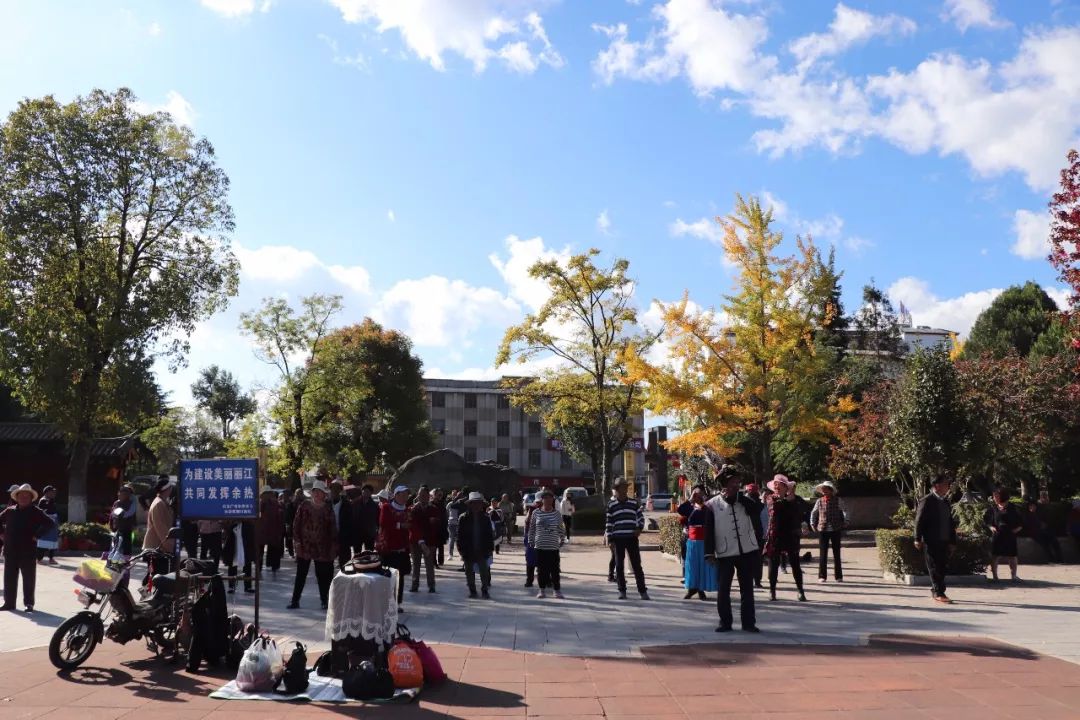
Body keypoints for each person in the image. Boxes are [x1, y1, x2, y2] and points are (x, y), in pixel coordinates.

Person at [704, 466, 763, 633]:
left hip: (747, 551)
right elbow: (708, 531)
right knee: (723, 589)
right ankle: (725, 622)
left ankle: (748, 623)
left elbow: (758, 511)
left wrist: (742, 499)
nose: (736, 485)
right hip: (725, 552)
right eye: (732, 483)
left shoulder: (745, 501)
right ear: (724, 485)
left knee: (747, 589)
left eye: (737, 482)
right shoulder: (712, 505)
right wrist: (709, 553)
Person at [0, 485, 55, 612]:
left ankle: (29, 603)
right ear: (17, 497)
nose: (23, 498)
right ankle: (9, 603)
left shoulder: (36, 511)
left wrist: (37, 535)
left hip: (28, 550)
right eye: (21, 496)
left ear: (31, 498)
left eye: (26, 496)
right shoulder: (10, 511)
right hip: (10, 549)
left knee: (29, 578)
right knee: (9, 578)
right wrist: (1, 534)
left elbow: (50, 523)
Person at [288, 480, 338, 610]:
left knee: (322, 576)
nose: (317, 494)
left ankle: (324, 600)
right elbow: (296, 524)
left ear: (324, 495)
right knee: (301, 574)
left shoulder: (327, 509)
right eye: (315, 491)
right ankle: (295, 600)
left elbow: (333, 528)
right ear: (312, 493)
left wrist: (333, 546)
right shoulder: (304, 506)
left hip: (322, 547)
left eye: (320, 492)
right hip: (305, 546)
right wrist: (297, 541)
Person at [914, 475, 958, 604]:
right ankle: (938, 592)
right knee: (934, 567)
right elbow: (919, 520)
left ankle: (938, 591)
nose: (947, 486)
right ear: (937, 485)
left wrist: (953, 541)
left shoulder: (945, 501)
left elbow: (950, 522)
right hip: (931, 540)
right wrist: (917, 538)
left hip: (945, 539)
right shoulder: (927, 501)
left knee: (942, 566)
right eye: (945, 484)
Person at [764, 476, 807, 602]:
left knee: (795, 563)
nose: (776, 487)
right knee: (773, 563)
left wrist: (803, 523)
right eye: (775, 485)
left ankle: (800, 590)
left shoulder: (795, 499)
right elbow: (774, 508)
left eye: (779, 484)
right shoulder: (770, 498)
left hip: (791, 534)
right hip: (775, 534)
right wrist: (787, 501)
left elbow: (801, 511)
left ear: (785, 487)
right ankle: (772, 591)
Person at [605, 478, 649, 600]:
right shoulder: (611, 505)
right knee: (619, 566)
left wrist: (639, 528)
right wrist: (610, 539)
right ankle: (622, 590)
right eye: (623, 487)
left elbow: (641, 518)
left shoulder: (634, 503)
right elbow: (609, 522)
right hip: (618, 539)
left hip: (631, 538)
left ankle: (642, 591)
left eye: (626, 487)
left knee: (637, 565)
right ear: (617, 489)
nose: (625, 489)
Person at [377, 485, 412, 610]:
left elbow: (411, 525)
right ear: (396, 495)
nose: (405, 497)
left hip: (402, 549)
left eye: (406, 495)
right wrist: (400, 525)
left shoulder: (407, 510)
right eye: (402, 495)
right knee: (386, 577)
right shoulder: (387, 507)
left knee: (400, 577)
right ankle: (385, 602)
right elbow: (384, 523)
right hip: (388, 549)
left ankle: (397, 603)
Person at [457, 492, 495, 599]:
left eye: (479, 503)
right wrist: (461, 549)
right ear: (470, 504)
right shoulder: (463, 518)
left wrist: (490, 549)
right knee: (469, 572)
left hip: (482, 549)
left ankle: (485, 590)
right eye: (474, 503)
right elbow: (459, 535)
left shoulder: (485, 518)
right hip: (468, 549)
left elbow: (489, 535)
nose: (477, 506)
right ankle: (472, 590)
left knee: (484, 571)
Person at [530, 490, 566, 599]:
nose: (548, 500)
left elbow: (561, 527)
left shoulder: (557, 513)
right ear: (542, 500)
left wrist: (562, 538)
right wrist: (531, 540)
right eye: (545, 498)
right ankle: (541, 590)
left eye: (550, 498)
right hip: (540, 546)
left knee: (555, 569)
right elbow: (532, 528)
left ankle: (557, 590)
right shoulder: (536, 513)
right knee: (541, 570)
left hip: (553, 546)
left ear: (553, 500)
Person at [682, 486, 716, 601]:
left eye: (699, 493)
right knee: (692, 566)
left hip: (704, 541)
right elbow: (680, 510)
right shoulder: (690, 507)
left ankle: (701, 589)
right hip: (692, 541)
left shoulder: (708, 507)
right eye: (695, 494)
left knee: (703, 566)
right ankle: (692, 588)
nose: (697, 496)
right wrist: (691, 499)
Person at [984, 487, 1024, 583]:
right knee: (995, 555)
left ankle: (1014, 576)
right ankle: (995, 577)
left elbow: (1022, 521)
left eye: (996, 496)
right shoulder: (993, 508)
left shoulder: (1012, 507)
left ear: (1002, 496)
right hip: (997, 535)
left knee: (1012, 556)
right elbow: (987, 520)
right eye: (994, 496)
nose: (994, 498)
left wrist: (1017, 529)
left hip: (1010, 535)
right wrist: (991, 527)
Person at [810, 481, 847, 583]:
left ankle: (838, 576)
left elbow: (845, 510)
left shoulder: (838, 500)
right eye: (823, 489)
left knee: (836, 553)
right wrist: (812, 523)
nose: (824, 491)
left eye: (826, 489)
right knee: (823, 553)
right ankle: (822, 576)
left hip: (835, 528)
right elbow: (814, 512)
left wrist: (846, 521)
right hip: (823, 529)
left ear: (831, 490)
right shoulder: (819, 501)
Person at [142, 477, 176, 579]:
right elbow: (161, 528)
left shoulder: (162, 502)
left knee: (155, 577)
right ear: (167, 489)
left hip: (159, 547)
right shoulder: (158, 504)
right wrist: (169, 546)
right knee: (157, 578)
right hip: (156, 548)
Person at [409, 486, 440, 593]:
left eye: (424, 495)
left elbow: (439, 524)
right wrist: (420, 540)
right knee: (416, 564)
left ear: (428, 496)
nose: (422, 497)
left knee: (430, 564)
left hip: (430, 541)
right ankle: (415, 585)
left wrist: (435, 521)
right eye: (420, 495)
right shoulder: (413, 509)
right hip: (415, 541)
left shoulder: (434, 509)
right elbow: (412, 526)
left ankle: (431, 585)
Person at [1022, 499, 1062, 563]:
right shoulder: (1027, 515)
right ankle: (1051, 559)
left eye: (1033, 506)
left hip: (1043, 531)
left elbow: (1045, 523)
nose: (1032, 507)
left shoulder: (1039, 513)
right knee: (1045, 544)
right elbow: (1028, 526)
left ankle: (1059, 559)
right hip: (1034, 533)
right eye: (1030, 506)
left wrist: (1044, 525)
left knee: (1054, 540)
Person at [257, 488, 285, 579]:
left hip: (268, 532)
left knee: (267, 551)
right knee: (262, 551)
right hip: (266, 532)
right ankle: (268, 567)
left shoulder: (274, 504)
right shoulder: (261, 504)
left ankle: (268, 567)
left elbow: (280, 518)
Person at [350, 484, 381, 554]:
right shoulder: (354, 503)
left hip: (370, 534)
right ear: (362, 491)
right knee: (357, 554)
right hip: (357, 533)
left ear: (371, 493)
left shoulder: (374, 505)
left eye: (368, 491)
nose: (365, 493)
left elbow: (377, 519)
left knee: (369, 554)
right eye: (364, 491)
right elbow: (350, 517)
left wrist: (377, 531)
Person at [329, 480, 352, 570]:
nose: (334, 491)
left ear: (340, 490)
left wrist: (349, 538)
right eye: (333, 489)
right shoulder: (326, 504)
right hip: (329, 538)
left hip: (343, 538)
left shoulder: (347, 504)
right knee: (327, 566)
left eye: (337, 489)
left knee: (345, 565)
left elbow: (351, 522)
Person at [110, 485, 138, 558]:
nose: (120, 495)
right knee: (115, 544)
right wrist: (112, 525)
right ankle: (114, 559)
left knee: (126, 545)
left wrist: (134, 524)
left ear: (128, 495)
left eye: (124, 493)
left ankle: (126, 559)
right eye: (120, 493)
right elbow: (112, 514)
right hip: (117, 528)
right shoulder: (116, 503)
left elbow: (131, 514)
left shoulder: (131, 503)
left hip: (126, 528)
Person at [35, 486, 60, 565]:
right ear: (47, 492)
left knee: (53, 541)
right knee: (43, 541)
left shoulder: (52, 500)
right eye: (52, 492)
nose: (54, 493)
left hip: (54, 522)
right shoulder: (43, 500)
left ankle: (51, 558)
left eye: (54, 492)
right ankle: (39, 559)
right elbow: (42, 512)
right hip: (46, 523)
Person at [523, 498, 541, 587]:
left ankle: (546, 581)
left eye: (539, 503)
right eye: (536, 503)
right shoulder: (531, 512)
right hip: (531, 542)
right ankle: (529, 580)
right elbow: (526, 529)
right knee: (530, 562)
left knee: (543, 563)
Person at [447, 489, 466, 560]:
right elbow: (447, 512)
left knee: (460, 540)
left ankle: (461, 554)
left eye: (457, 495)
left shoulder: (463, 504)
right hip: (452, 523)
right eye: (454, 495)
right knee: (451, 539)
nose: (455, 496)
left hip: (460, 524)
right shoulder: (450, 504)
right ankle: (450, 554)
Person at [284, 488, 302, 558]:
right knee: (291, 539)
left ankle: (298, 554)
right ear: (295, 494)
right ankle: (292, 553)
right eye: (298, 493)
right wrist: (288, 524)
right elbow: (288, 515)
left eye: (300, 493)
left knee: (299, 539)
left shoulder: (304, 503)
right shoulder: (291, 504)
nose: (299, 495)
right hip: (292, 524)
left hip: (301, 524)